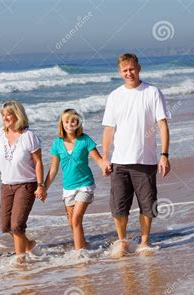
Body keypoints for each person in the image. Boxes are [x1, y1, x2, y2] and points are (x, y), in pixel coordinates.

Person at [101, 53, 171, 258]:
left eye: (132, 69)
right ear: (119, 72)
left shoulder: (152, 92)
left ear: (138, 68)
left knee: (148, 205)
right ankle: (122, 241)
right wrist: (105, 157)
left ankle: (144, 241)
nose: (129, 73)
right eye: (125, 70)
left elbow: (162, 125)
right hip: (120, 161)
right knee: (119, 206)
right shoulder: (114, 96)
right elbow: (108, 129)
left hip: (146, 160)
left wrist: (164, 155)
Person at [0, 100, 46, 263]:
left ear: (17, 115)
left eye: (8, 114)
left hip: (26, 185)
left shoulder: (29, 136)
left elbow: (38, 162)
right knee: (5, 226)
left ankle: (20, 260)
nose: (5, 117)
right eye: (3, 115)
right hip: (6, 185)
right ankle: (29, 244)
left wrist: (40, 185)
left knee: (17, 226)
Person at [44, 109, 108, 250]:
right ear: (62, 124)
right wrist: (43, 188)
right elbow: (53, 169)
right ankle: (84, 245)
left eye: (73, 121)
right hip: (68, 188)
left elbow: (98, 159)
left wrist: (105, 167)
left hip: (85, 185)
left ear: (78, 123)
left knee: (76, 219)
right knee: (71, 223)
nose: (70, 124)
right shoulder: (57, 144)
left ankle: (79, 253)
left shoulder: (85, 140)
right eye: (67, 121)